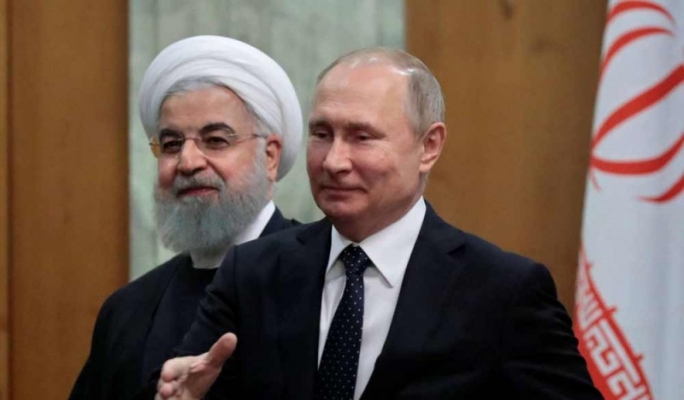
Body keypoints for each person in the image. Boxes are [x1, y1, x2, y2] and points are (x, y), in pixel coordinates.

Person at [151, 48, 603, 399]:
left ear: (429, 146)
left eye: (361, 137)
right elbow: (191, 385)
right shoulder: (251, 272)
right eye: (322, 134)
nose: (334, 161)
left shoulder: (503, 292)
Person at [69, 35, 303, 400]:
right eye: (172, 144)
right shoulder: (127, 311)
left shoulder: (322, 277)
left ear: (270, 156)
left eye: (216, 140)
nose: (188, 162)